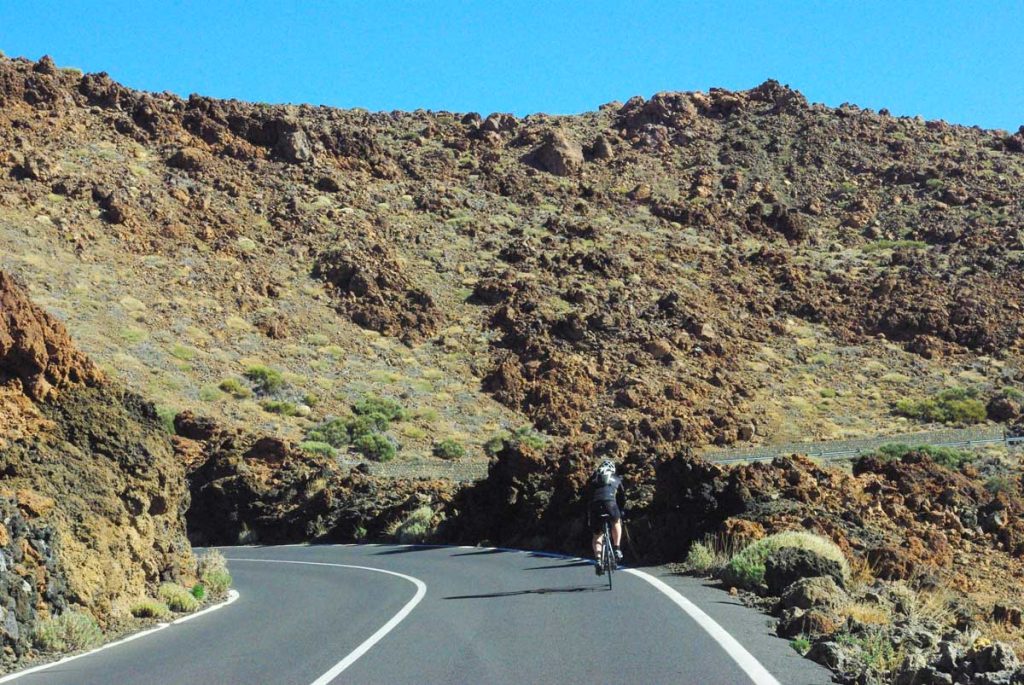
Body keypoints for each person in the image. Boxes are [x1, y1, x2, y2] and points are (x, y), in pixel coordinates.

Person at [588, 459, 625, 575]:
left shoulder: (594, 479)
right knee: (616, 522)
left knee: (597, 535)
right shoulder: (616, 478)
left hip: (595, 506)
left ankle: (598, 560)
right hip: (610, 503)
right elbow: (622, 497)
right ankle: (617, 548)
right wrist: (621, 511)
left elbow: (587, 496)